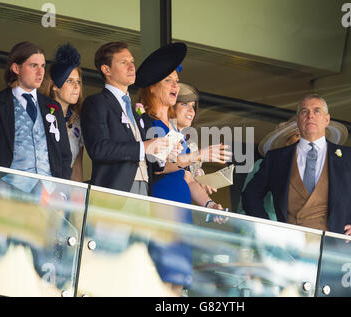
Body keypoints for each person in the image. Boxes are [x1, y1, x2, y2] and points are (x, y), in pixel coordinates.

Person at [134, 42, 230, 295]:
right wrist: (200, 155)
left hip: (181, 212)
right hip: (162, 208)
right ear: (153, 86)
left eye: (177, 81)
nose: (176, 86)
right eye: (169, 81)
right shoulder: (149, 122)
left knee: (178, 284)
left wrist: (209, 205)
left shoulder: (175, 132)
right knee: (160, 282)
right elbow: (159, 168)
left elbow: (186, 177)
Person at [242, 93, 351, 238]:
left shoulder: (350, 158)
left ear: (326, 120)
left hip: (334, 249)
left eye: (317, 111)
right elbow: (250, 194)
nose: (310, 116)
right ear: (297, 120)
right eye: (304, 112)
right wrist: (265, 227)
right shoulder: (276, 158)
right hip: (289, 250)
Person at [0, 41, 72, 192]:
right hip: (8, 191)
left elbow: (65, 155)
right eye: (34, 66)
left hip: (48, 193)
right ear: (16, 68)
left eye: (43, 66)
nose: (40, 72)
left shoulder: (53, 107)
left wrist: (61, 191)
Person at [81, 41, 168, 195]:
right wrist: (145, 147)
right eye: (123, 62)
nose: (131, 67)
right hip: (115, 190)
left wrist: (163, 152)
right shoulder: (97, 102)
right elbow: (99, 148)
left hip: (145, 189)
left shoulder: (135, 111)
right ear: (106, 70)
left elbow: (151, 162)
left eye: (132, 62)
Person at [237, 116, 348, 221]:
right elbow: (248, 203)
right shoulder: (266, 165)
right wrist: (267, 228)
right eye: (299, 135)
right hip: (268, 233)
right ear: (286, 142)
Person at [40, 43, 84, 182]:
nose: (76, 86)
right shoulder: (39, 114)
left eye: (78, 81)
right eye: (70, 81)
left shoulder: (77, 122)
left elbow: (77, 166)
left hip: (62, 193)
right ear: (54, 86)